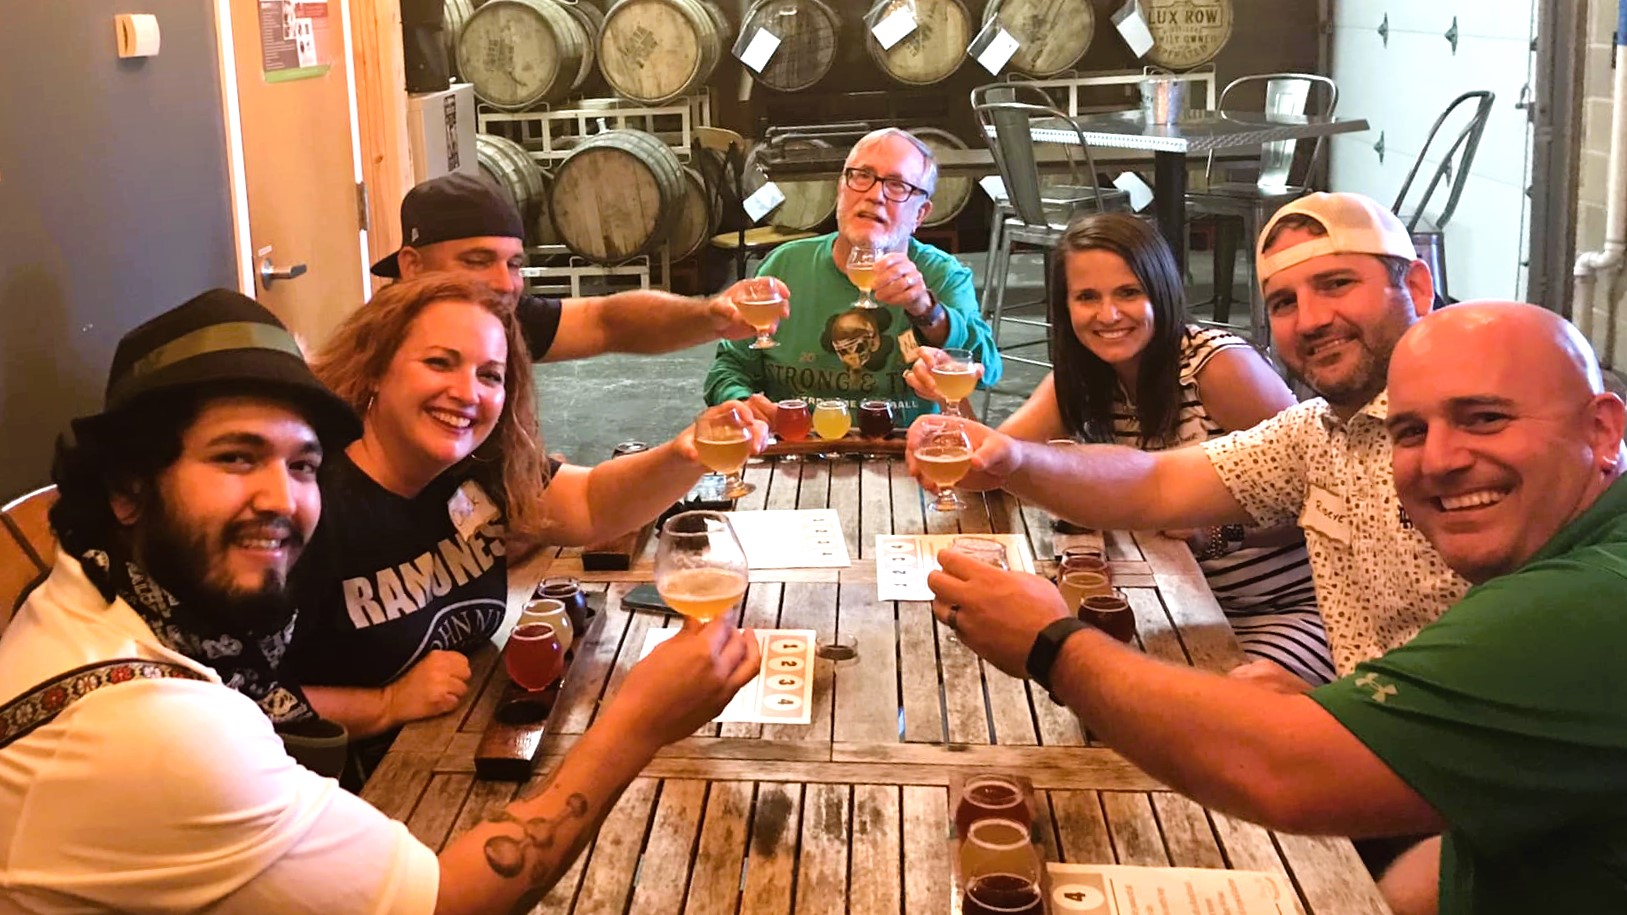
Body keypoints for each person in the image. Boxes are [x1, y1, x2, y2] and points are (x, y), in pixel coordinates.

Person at [0, 289, 760, 912]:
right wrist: (638, 721)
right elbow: (452, 902)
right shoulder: (161, 732)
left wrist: (686, 448)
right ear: (128, 488)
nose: (283, 499)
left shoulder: (92, 594)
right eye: (235, 457)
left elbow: (590, 504)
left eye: (301, 463)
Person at [927, 301, 1627, 914]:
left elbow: (1280, 770)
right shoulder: (1320, 430)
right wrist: (1013, 458)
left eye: (1485, 418)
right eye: (1407, 431)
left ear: (1601, 429)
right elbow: (1155, 481)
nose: (1439, 458)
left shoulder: (1586, 599)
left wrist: (1050, 642)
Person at [907, 192, 1467, 684]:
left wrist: (1211, 533)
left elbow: (1289, 512)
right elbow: (1141, 481)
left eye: (1337, 285)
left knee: (1173, 700)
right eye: (1285, 303)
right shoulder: (1316, 428)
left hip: (1278, 607)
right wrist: (959, 426)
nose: (1108, 315)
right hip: (1183, 598)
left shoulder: (1220, 368)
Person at [285, 275, 768, 745]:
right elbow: (235, 696)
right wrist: (386, 703)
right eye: (439, 363)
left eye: (489, 375)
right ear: (375, 368)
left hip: (460, 731)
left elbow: (590, 504)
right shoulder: (308, 503)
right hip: (349, 788)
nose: (467, 393)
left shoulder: (476, 465)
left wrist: (687, 453)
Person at [704, 128, 1002, 425]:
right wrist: (741, 404)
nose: (874, 196)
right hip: (794, 452)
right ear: (840, 189)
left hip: (904, 454)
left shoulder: (941, 274)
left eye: (897, 185)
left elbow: (986, 370)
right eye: (862, 176)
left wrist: (927, 311)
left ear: (920, 214)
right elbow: (730, 368)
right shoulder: (784, 266)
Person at [373, 172, 787, 363]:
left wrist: (711, 315)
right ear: (412, 265)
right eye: (476, 261)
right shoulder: (378, 362)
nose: (504, 284)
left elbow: (609, 321)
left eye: (514, 264)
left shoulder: (498, 319)